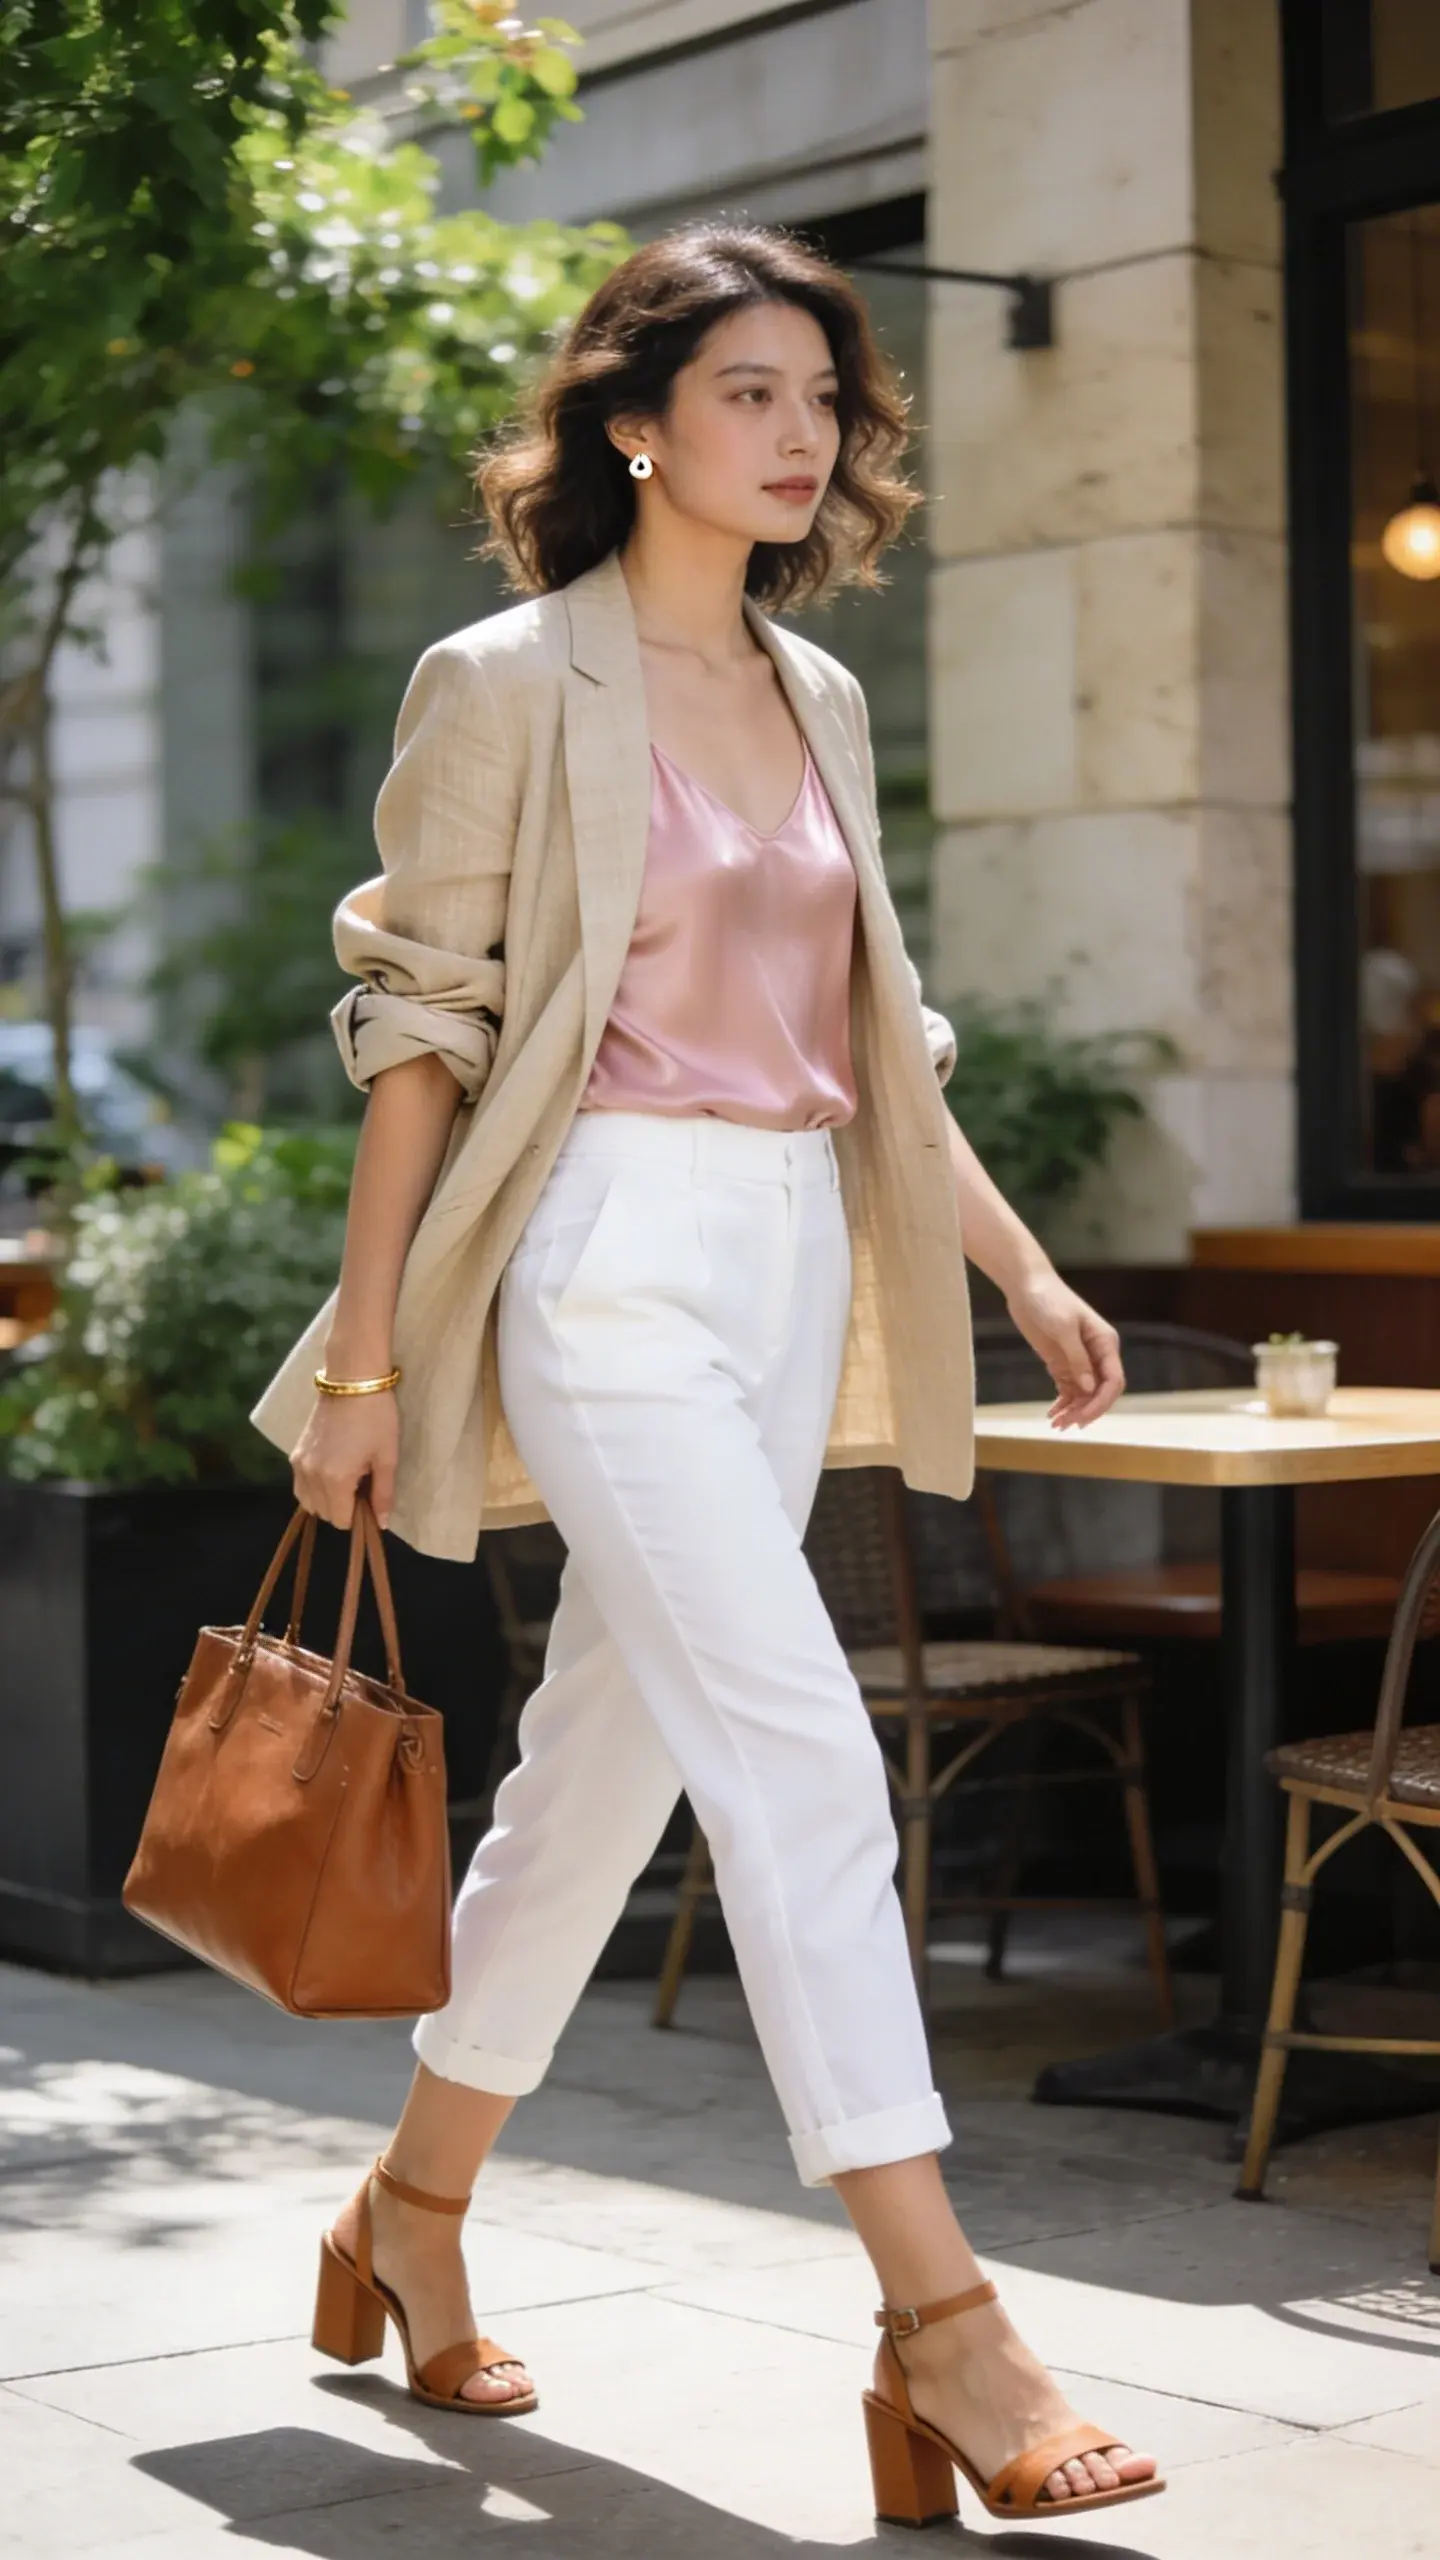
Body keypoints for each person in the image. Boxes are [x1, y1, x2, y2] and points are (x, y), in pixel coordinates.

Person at [265, 222, 1162, 2526]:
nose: (804, 435)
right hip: (595, 1258)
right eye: (753, 392)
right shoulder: (502, 679)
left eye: (825, 400)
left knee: (613, 1756)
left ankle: (411, 2204)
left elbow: (882, 1047)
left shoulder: (818, 696)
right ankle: (945, 2320)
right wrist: (362, 1355)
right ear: (635, 421)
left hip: (786, 1264)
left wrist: (1030, 1270)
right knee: (795, 1739)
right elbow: (421, 1033)